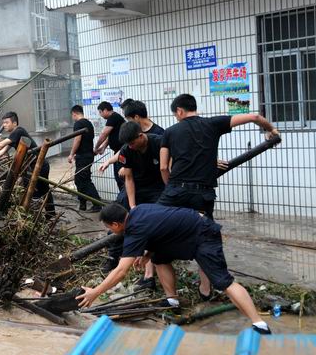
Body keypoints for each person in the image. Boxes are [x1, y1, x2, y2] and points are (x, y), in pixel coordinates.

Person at [76, 203, 272, 335]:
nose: (110, 231)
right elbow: (162, 228)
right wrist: (147, 255)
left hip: (204, 234)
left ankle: (259, 324)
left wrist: (96, 292)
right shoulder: (138, 210)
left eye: (109, 228)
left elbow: (121, 271)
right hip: (189, 231)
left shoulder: (135, 229)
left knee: (224, 282)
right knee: (160, 258)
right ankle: (172, 299)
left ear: (116, 224)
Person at [159, 94, 280, 221]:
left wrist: (170, 188)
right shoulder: (213, 124)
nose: (177, 118)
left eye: (175, 115)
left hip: (175, 192)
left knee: (160, 223)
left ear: (179, 111)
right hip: (203, 194)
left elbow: (163, 167)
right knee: (204, 228)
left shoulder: (169, 132)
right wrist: (271, 129)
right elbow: (254, 117)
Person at [103, 121, 166, 287]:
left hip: (158, 188)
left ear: (141, 135)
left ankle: (149, 274)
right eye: (128, 144)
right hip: (137, 187)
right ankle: (113, 256)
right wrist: (132, 206)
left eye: (132, 143)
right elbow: (129, 178)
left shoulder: (159, 142)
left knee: (151, 225)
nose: (130, 146)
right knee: (117, 214)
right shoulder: (126, 150)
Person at [0, 111, 55, 215]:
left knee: (40, 189)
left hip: (40, 165)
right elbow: (2, 151)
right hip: (32, 166)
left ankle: (47, 213)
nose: (4, 125)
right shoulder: (14, 136)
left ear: (15, 123)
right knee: (39, 188)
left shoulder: (19, 131)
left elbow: (0, 145)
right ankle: (49, 213)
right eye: (3, 123)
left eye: (6, 122)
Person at [68, 105, 102, 212]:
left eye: (72, 115)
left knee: (85, 180)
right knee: (79, 180)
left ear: (74, 113)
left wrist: (71, 154)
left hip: (83, 156)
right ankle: (82, 204)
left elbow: (77, 140)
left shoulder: (78, 124)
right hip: (88, 155)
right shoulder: (89, 123)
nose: (72, 118)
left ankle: (97, 204)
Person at [94, 101, 125, 189]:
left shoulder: (113, 117)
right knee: (118, 176)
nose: (100, 115)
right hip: (117, 152)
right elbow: (110, 136)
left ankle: (124, 196)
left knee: (121, 177)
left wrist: (96, 147)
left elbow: (104, 134)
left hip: (121, 152)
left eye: (100, 112)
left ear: (105, 110)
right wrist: (103, 147)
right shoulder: (114, 118)